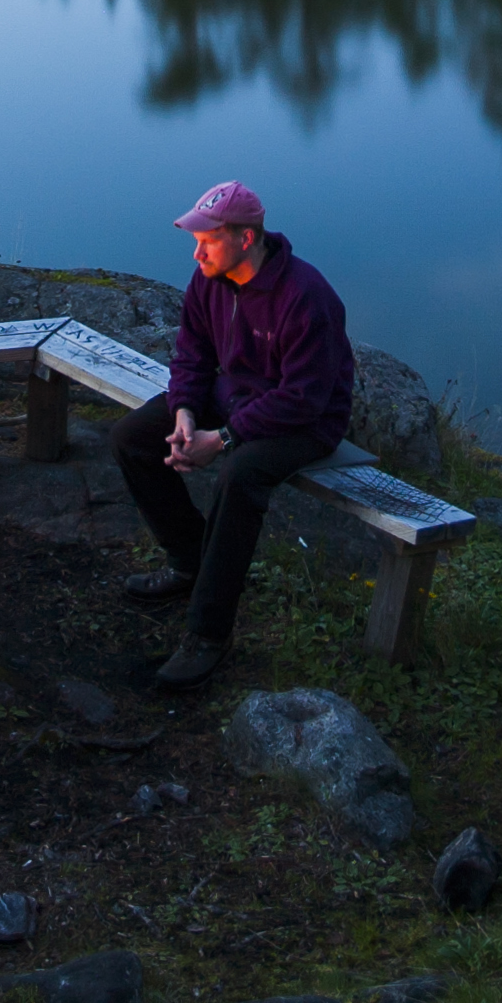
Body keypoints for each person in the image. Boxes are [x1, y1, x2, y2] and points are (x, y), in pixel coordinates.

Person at [113, 178, 353, 689]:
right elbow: (192, 357)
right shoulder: (208, 280)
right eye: (195, 239)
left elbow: (303, 398)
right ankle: (189, 562)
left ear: (246, 239)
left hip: (305, 422)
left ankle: (208, 632)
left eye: (209, 239)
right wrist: (183, 414)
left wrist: (220, 440)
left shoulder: (306, 297)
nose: (197, 250)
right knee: (133, 436)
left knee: (239, 477)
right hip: (235, 398)